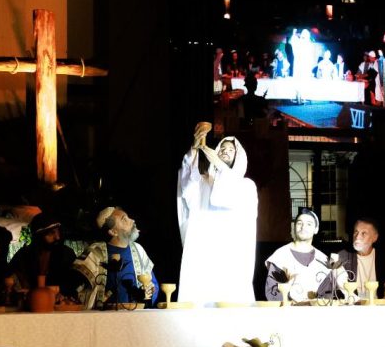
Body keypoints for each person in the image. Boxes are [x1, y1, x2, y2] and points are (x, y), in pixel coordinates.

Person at [177, 126, 258, 306]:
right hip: (204, 254)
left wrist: (220, 166)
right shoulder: (203, 183)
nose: (225, 151)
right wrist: (194, 149)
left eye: (231, 150)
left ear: (239, 156)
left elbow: (226, 196)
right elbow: (186, 184)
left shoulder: (246, 186)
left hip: (231, 255)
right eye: (222, 148)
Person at [72, 207, 159, 308]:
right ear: (113, 232)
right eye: (124, 219)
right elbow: (76, 289)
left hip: (135, 314)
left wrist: (150, 291)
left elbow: (153, 284)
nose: (132, 220)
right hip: (104, 315)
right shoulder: (95, 252)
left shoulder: (138, 249)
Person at [318, 217, 385, 303]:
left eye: (364, 233)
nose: (357, 237)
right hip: (352, 307)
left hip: (378, 307)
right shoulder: (342, 257)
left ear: (375, 237)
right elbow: (330, 289)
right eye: (356, 232)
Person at [265, 208, 342, 303]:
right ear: (294, 227)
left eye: (309, 224)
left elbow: (327, 294)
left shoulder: (323, 259)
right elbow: (273, 293)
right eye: (299, 223)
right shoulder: (280, 256)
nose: (303, 227)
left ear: (316, 229)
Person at [10, 212, 77, 295]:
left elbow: (74, 284)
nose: (57, 237)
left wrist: (56, 290)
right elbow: (11, 276)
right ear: (39, 236)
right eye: (51, 233)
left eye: (58, 231)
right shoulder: (24, 255)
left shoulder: (66, 254)